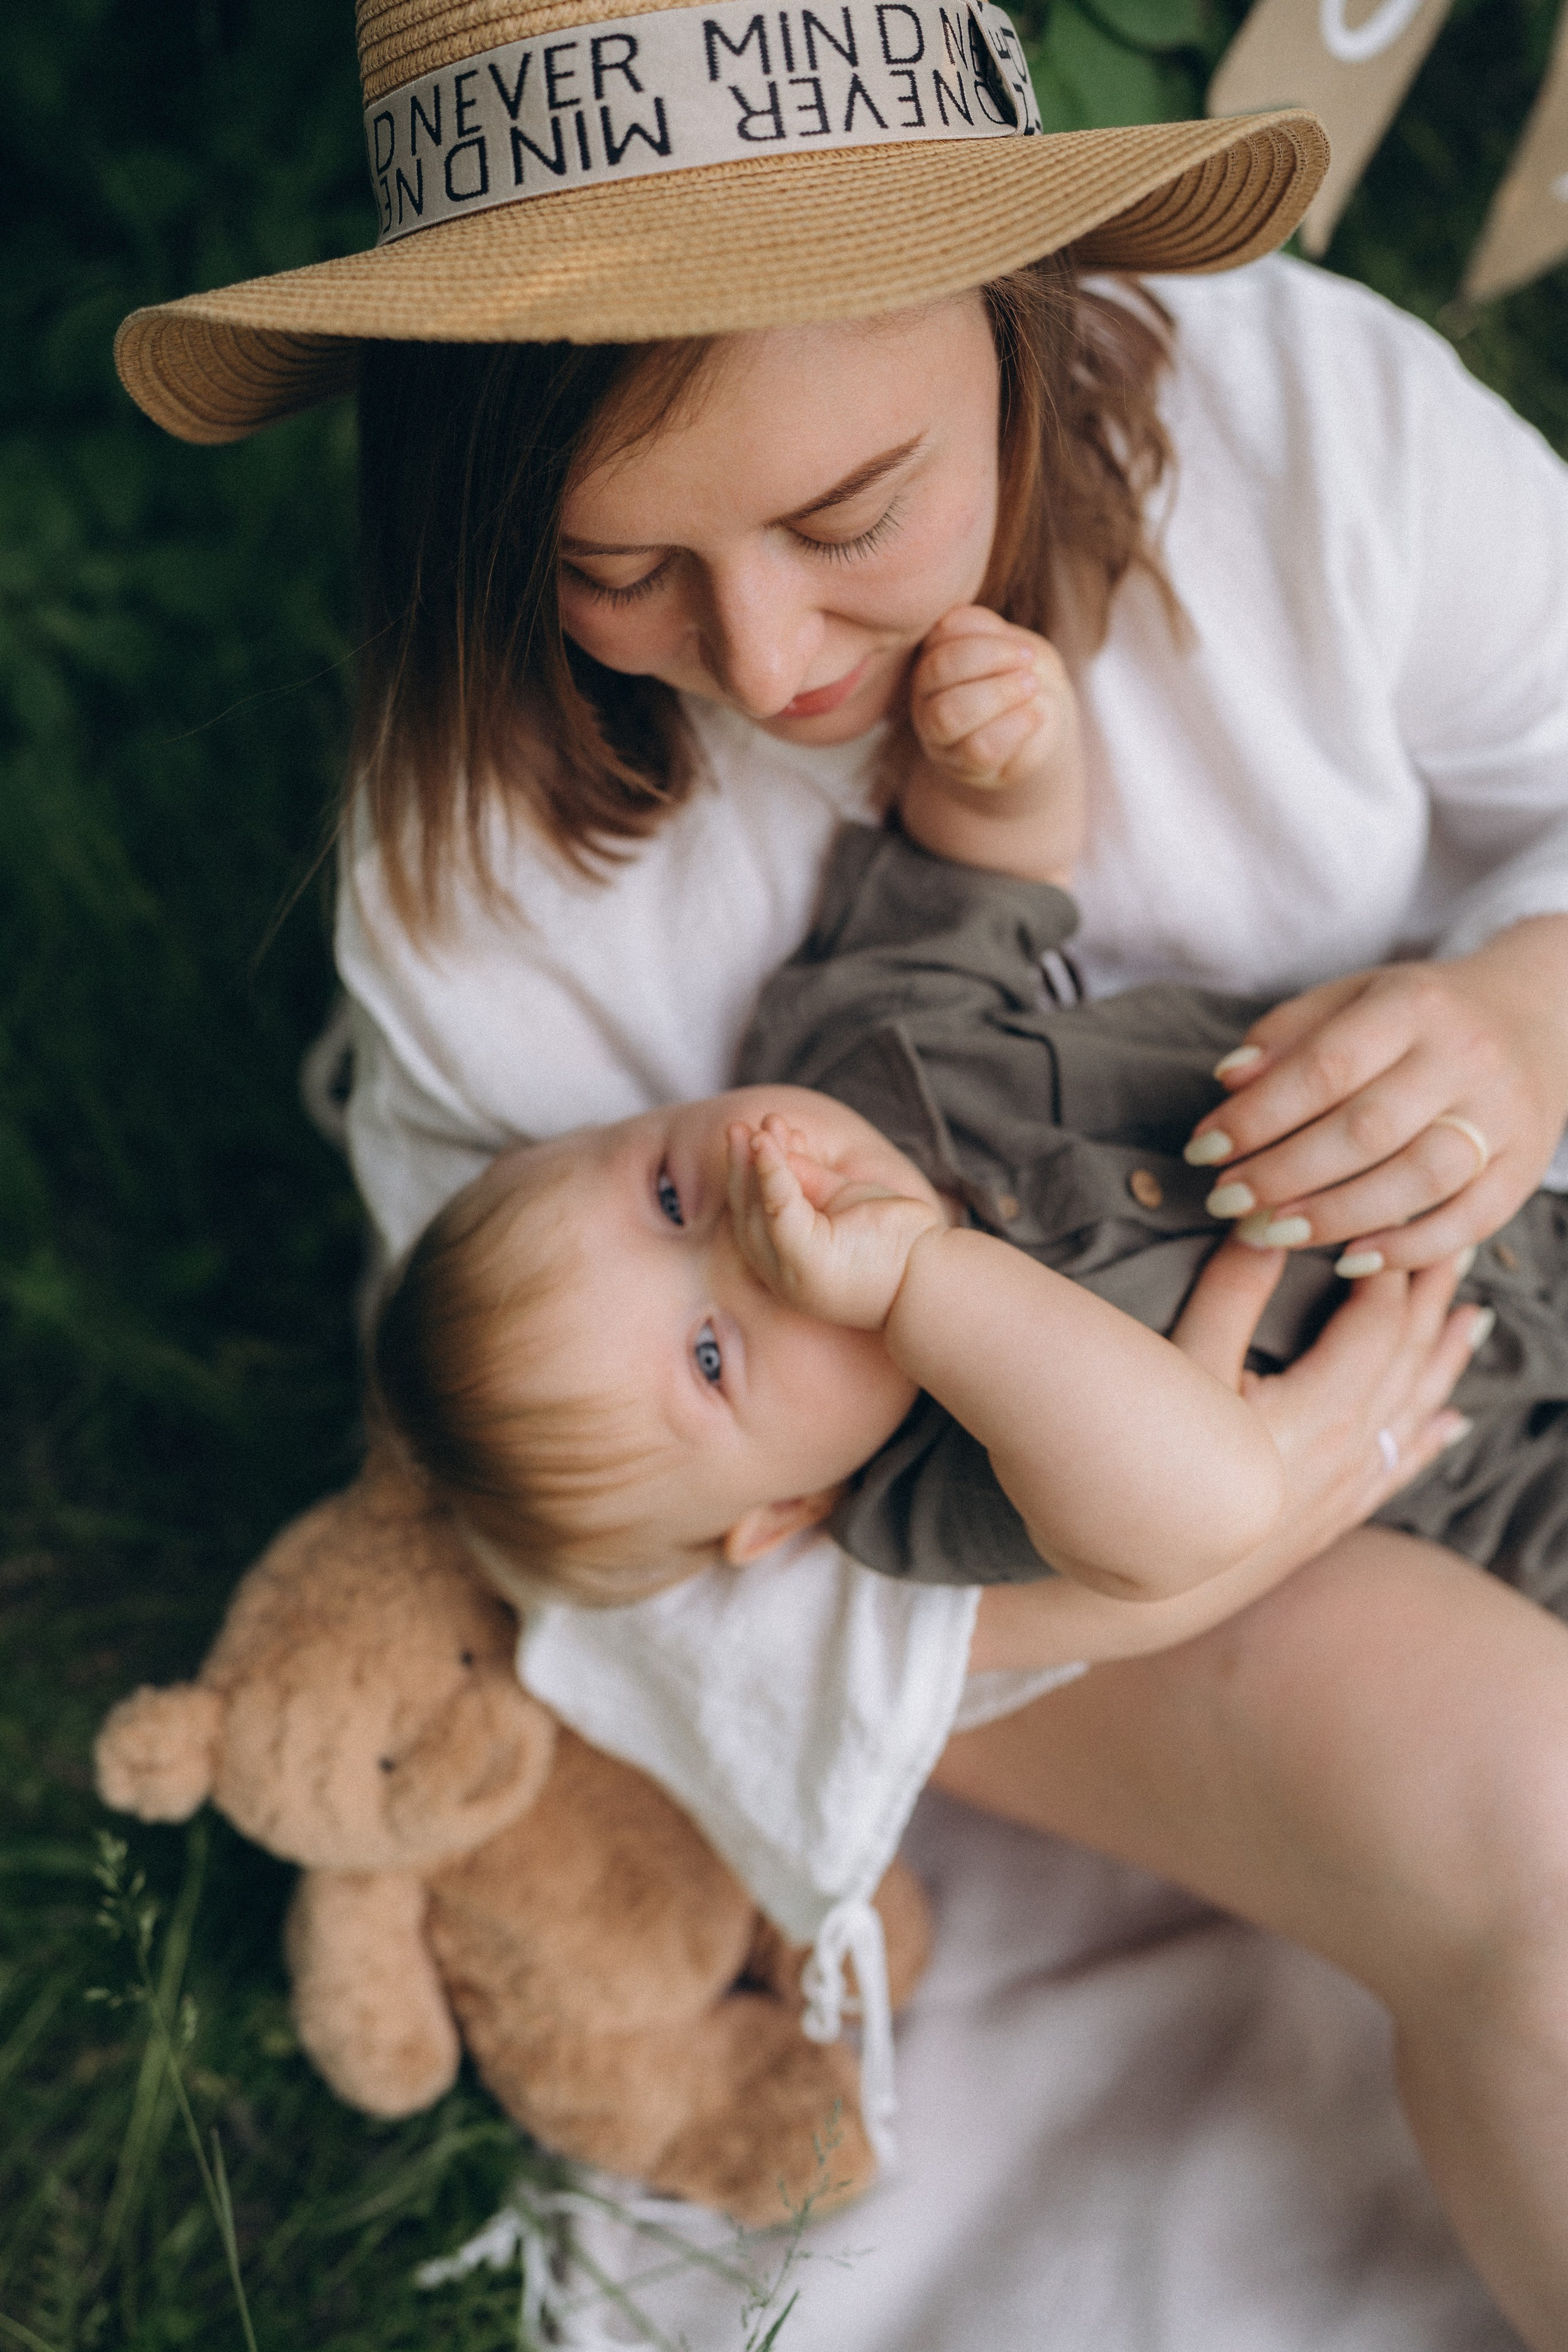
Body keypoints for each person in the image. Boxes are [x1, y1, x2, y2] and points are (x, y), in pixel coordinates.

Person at [113, 0, 1568, 2338]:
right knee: (1527, 1823)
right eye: (616, 567)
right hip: (964, 1591)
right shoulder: (476, 866)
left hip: (1473, 1282)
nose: (770, 653)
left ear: (1016, 307)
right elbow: (592, 1518)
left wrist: (1525, 1010)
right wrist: (1190, 1532)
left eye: (848, 514)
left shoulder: (1309, 433)